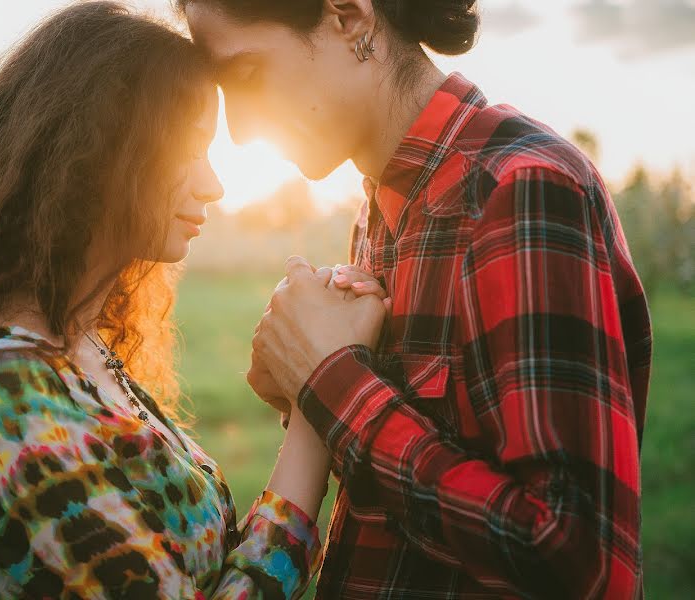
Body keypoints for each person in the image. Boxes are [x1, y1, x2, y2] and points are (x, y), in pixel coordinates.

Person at [0, 3, 389, 597]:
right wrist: (317, 401)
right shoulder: (0, 389)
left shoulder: (74, 350)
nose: (213, 184)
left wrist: (304, 381)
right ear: (99, 149)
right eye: (189, 146)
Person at [180, 0, 652, 597]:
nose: (241, 131)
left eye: (246, 76)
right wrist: (311, 391)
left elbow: (577, 558)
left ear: (349, 15)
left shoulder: (519, 188)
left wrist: (331, 385)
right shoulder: (383, 205)